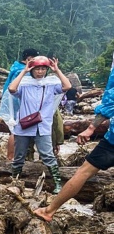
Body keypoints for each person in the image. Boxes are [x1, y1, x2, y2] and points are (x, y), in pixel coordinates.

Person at [34, 79, 114, 221]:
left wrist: (91, 129)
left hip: (111, 142)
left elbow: (109, 103)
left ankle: (49, 211)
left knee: (82, 173)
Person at [7, 56, 71, 193]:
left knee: (48, 155)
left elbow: (67, 86)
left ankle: (57, 184)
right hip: (24, 125)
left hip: (43, 125)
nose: (40, 72)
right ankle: (14, 180)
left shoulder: (51, 84)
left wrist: (57, 70)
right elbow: (12, 89)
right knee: (19, 156)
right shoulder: (24, 84)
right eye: (37, 69)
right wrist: (24, 71)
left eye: (43, 69)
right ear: (32, 69)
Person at [1, 48, 40, 160]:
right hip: (19, 103)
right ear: (29, 58)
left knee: (13, 129)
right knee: (17, 130)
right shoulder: (24, 72)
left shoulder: (16, 67)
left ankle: (11, 158)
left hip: (11, 102)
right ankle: (14, 157)